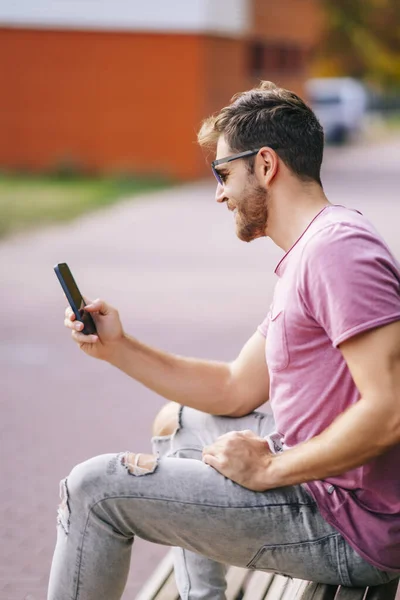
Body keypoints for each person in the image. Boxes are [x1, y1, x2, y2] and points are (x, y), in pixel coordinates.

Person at [47, 81, 400, 600]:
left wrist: (272, 467)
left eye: (222, 173)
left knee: (94, 489)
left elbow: (390, 409)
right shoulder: (312, 251)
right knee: (181, 422)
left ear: (264, 164)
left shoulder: (336, 252)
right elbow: (235, 388)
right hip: (331, 491)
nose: (218, 192)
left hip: (348, 520)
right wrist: (118, 348)